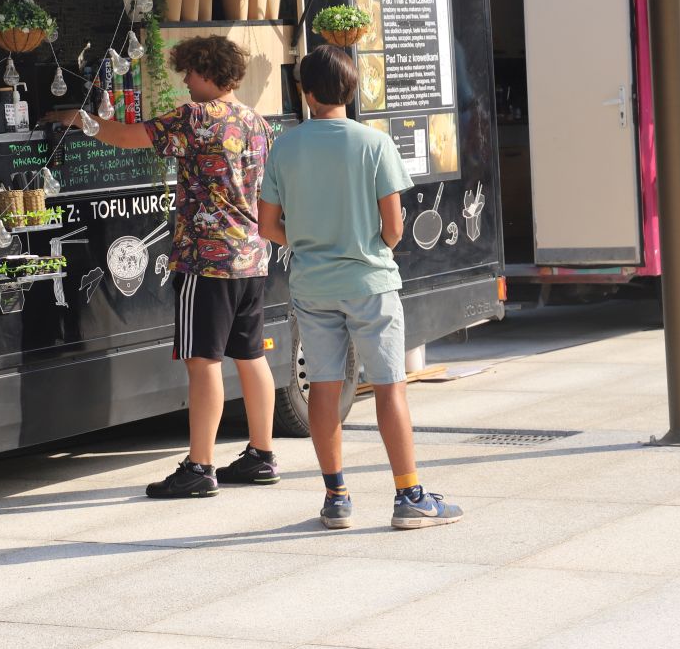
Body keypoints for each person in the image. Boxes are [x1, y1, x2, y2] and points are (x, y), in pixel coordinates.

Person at [47, 35, 277, 498]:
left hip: (205, 260)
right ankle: (261, 455)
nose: (185, 82)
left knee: (202, 361)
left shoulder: (195, 117)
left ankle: (200, 466)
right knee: (251, 356)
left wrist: (78, 119)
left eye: (190, 73)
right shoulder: (257, 122)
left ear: (208, 72)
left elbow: (129, 137)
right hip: (251, 257)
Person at [258, 45, 462, 530]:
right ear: (352, 90)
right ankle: (409, 496)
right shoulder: (374, 144)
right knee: (390, 387)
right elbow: (394, 226)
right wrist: (369, 244)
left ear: (304, 93)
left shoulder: (285, 146)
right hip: (370, 281)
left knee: (324, 388)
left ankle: (336, 498)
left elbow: (267, 225)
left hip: (312, 284)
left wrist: (307, 243)